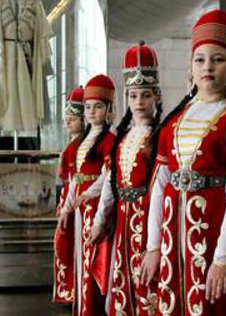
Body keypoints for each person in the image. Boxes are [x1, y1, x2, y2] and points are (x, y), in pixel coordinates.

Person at [139, 9, 226, 316]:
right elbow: (159, 186)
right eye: (200, 59)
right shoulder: (173, 121)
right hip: (170, 239)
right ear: (190, 67)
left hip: (213, 234)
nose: (208, 67)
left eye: (218, 59)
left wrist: (223, 259)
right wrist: (152, 247)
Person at [88, 41, 163, 315]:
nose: (139, 102)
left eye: (145, 95)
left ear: (156, 97)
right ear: (126, 99)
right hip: (123, 220)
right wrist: (100, 220)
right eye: (133, 96)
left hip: (148, 218)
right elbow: (111, 183)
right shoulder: (121, 138)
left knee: (148, 282)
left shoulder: (160, 136)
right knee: (123, 281)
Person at [58, 75, 116, 315]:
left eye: (98, 106)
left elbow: (108, 175)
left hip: (97, 207)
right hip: (82, 208)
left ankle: (93, 310)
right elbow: (76, 178)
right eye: (88, 107)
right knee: (81, 258)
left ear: (109, 109)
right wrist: (67, 208)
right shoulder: (83, 141)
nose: (92, 112)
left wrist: (89, 194)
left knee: (94, 260)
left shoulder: (110, 140)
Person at [53, 86, 85, 304]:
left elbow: (75, 177)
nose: (67, 124)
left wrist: (67, 203)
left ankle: (72, 289)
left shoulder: (79, 146)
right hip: (67, 195)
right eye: (66, 119)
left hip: (73, 199)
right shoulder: (71, 145)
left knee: (69, 243)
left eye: (72, 119)